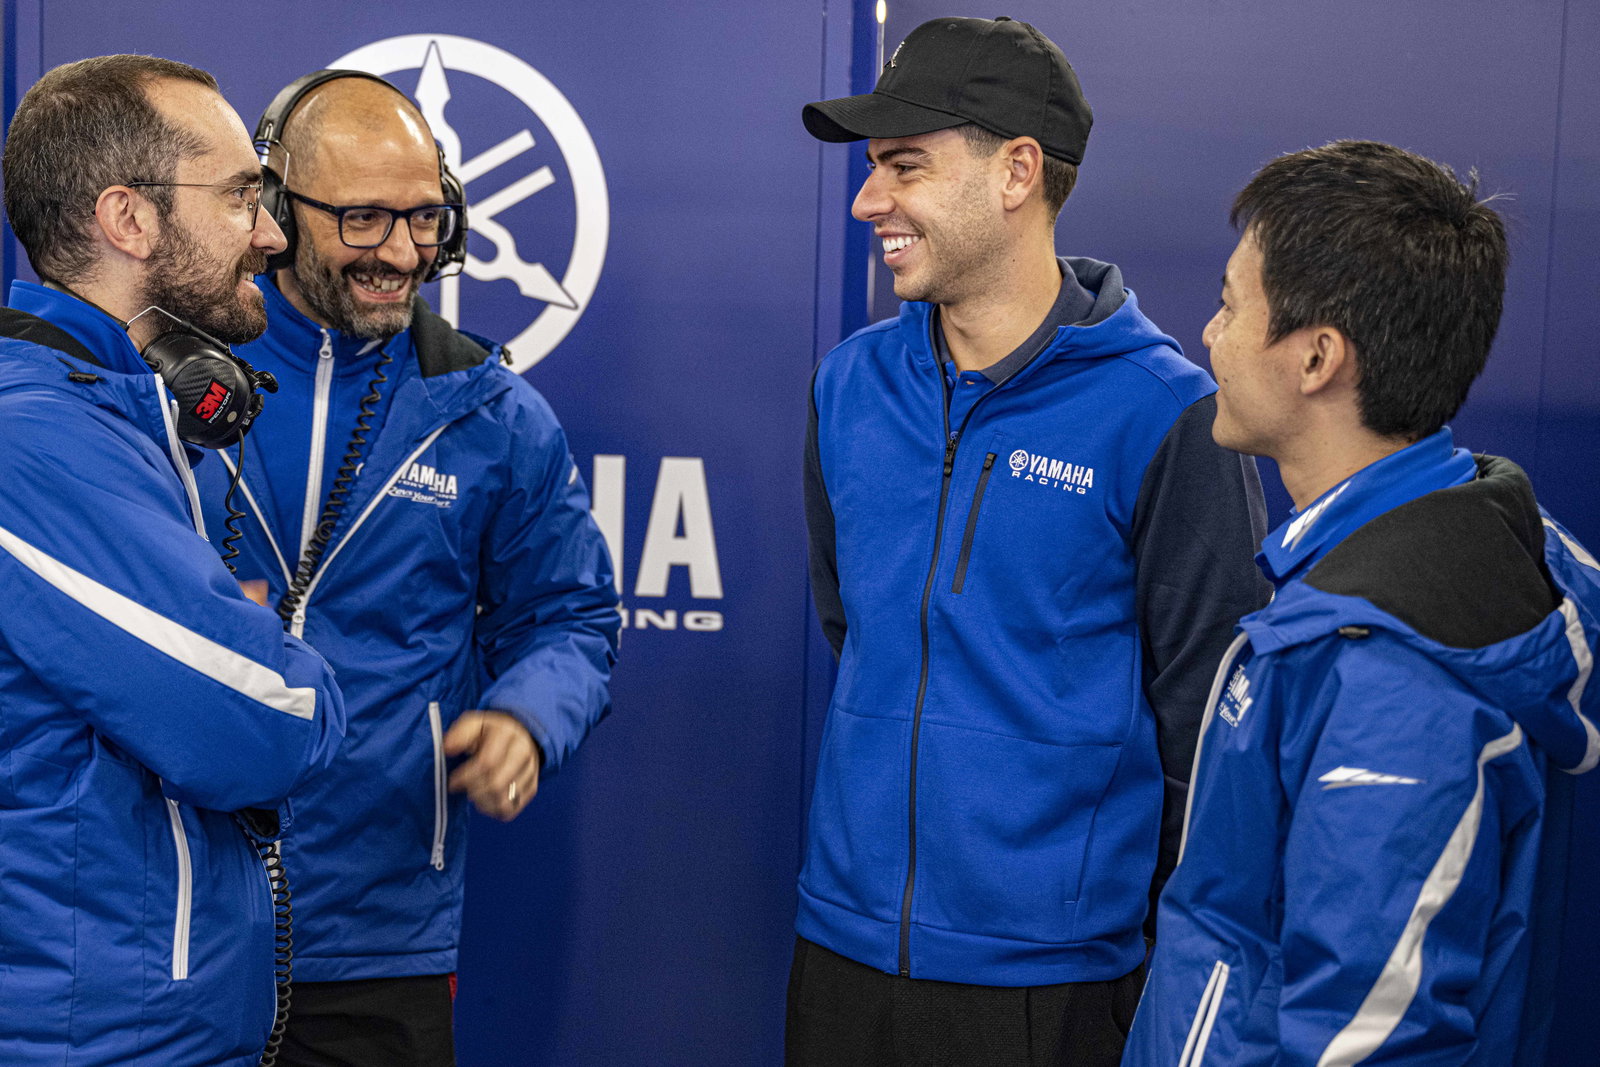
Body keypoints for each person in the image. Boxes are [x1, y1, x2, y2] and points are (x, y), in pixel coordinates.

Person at [793, 16, 1271, 1064]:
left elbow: (1213, 723)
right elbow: (857, 629)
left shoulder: (1168, 412)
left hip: (1053, 984)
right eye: (871, 169)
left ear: (1017, 172)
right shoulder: (848, 386)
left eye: (904, 166)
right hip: (836, 955)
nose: (869, 199)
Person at [1122, 140, 1600, 1066]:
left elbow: (1365, 1036)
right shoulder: (1417, 561)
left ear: (1316, 357)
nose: (1210, 334)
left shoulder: (1392, 669)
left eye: (1229, 304)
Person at [190, 69, 620, 1065]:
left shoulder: (492, 412)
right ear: (272, 208)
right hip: (178, 920)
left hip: (380, 932)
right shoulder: (175, 375)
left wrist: (527, 715)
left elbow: (570, 619)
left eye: (425, 219)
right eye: (364, 218)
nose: (401, 254)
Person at [0, 55, 346, 1065]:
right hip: (86, 1033)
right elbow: (263, 719)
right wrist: (280, 660)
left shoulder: (113, 408)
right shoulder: (35, 441)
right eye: (243, 195)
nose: (273, 234)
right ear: (129, 218)